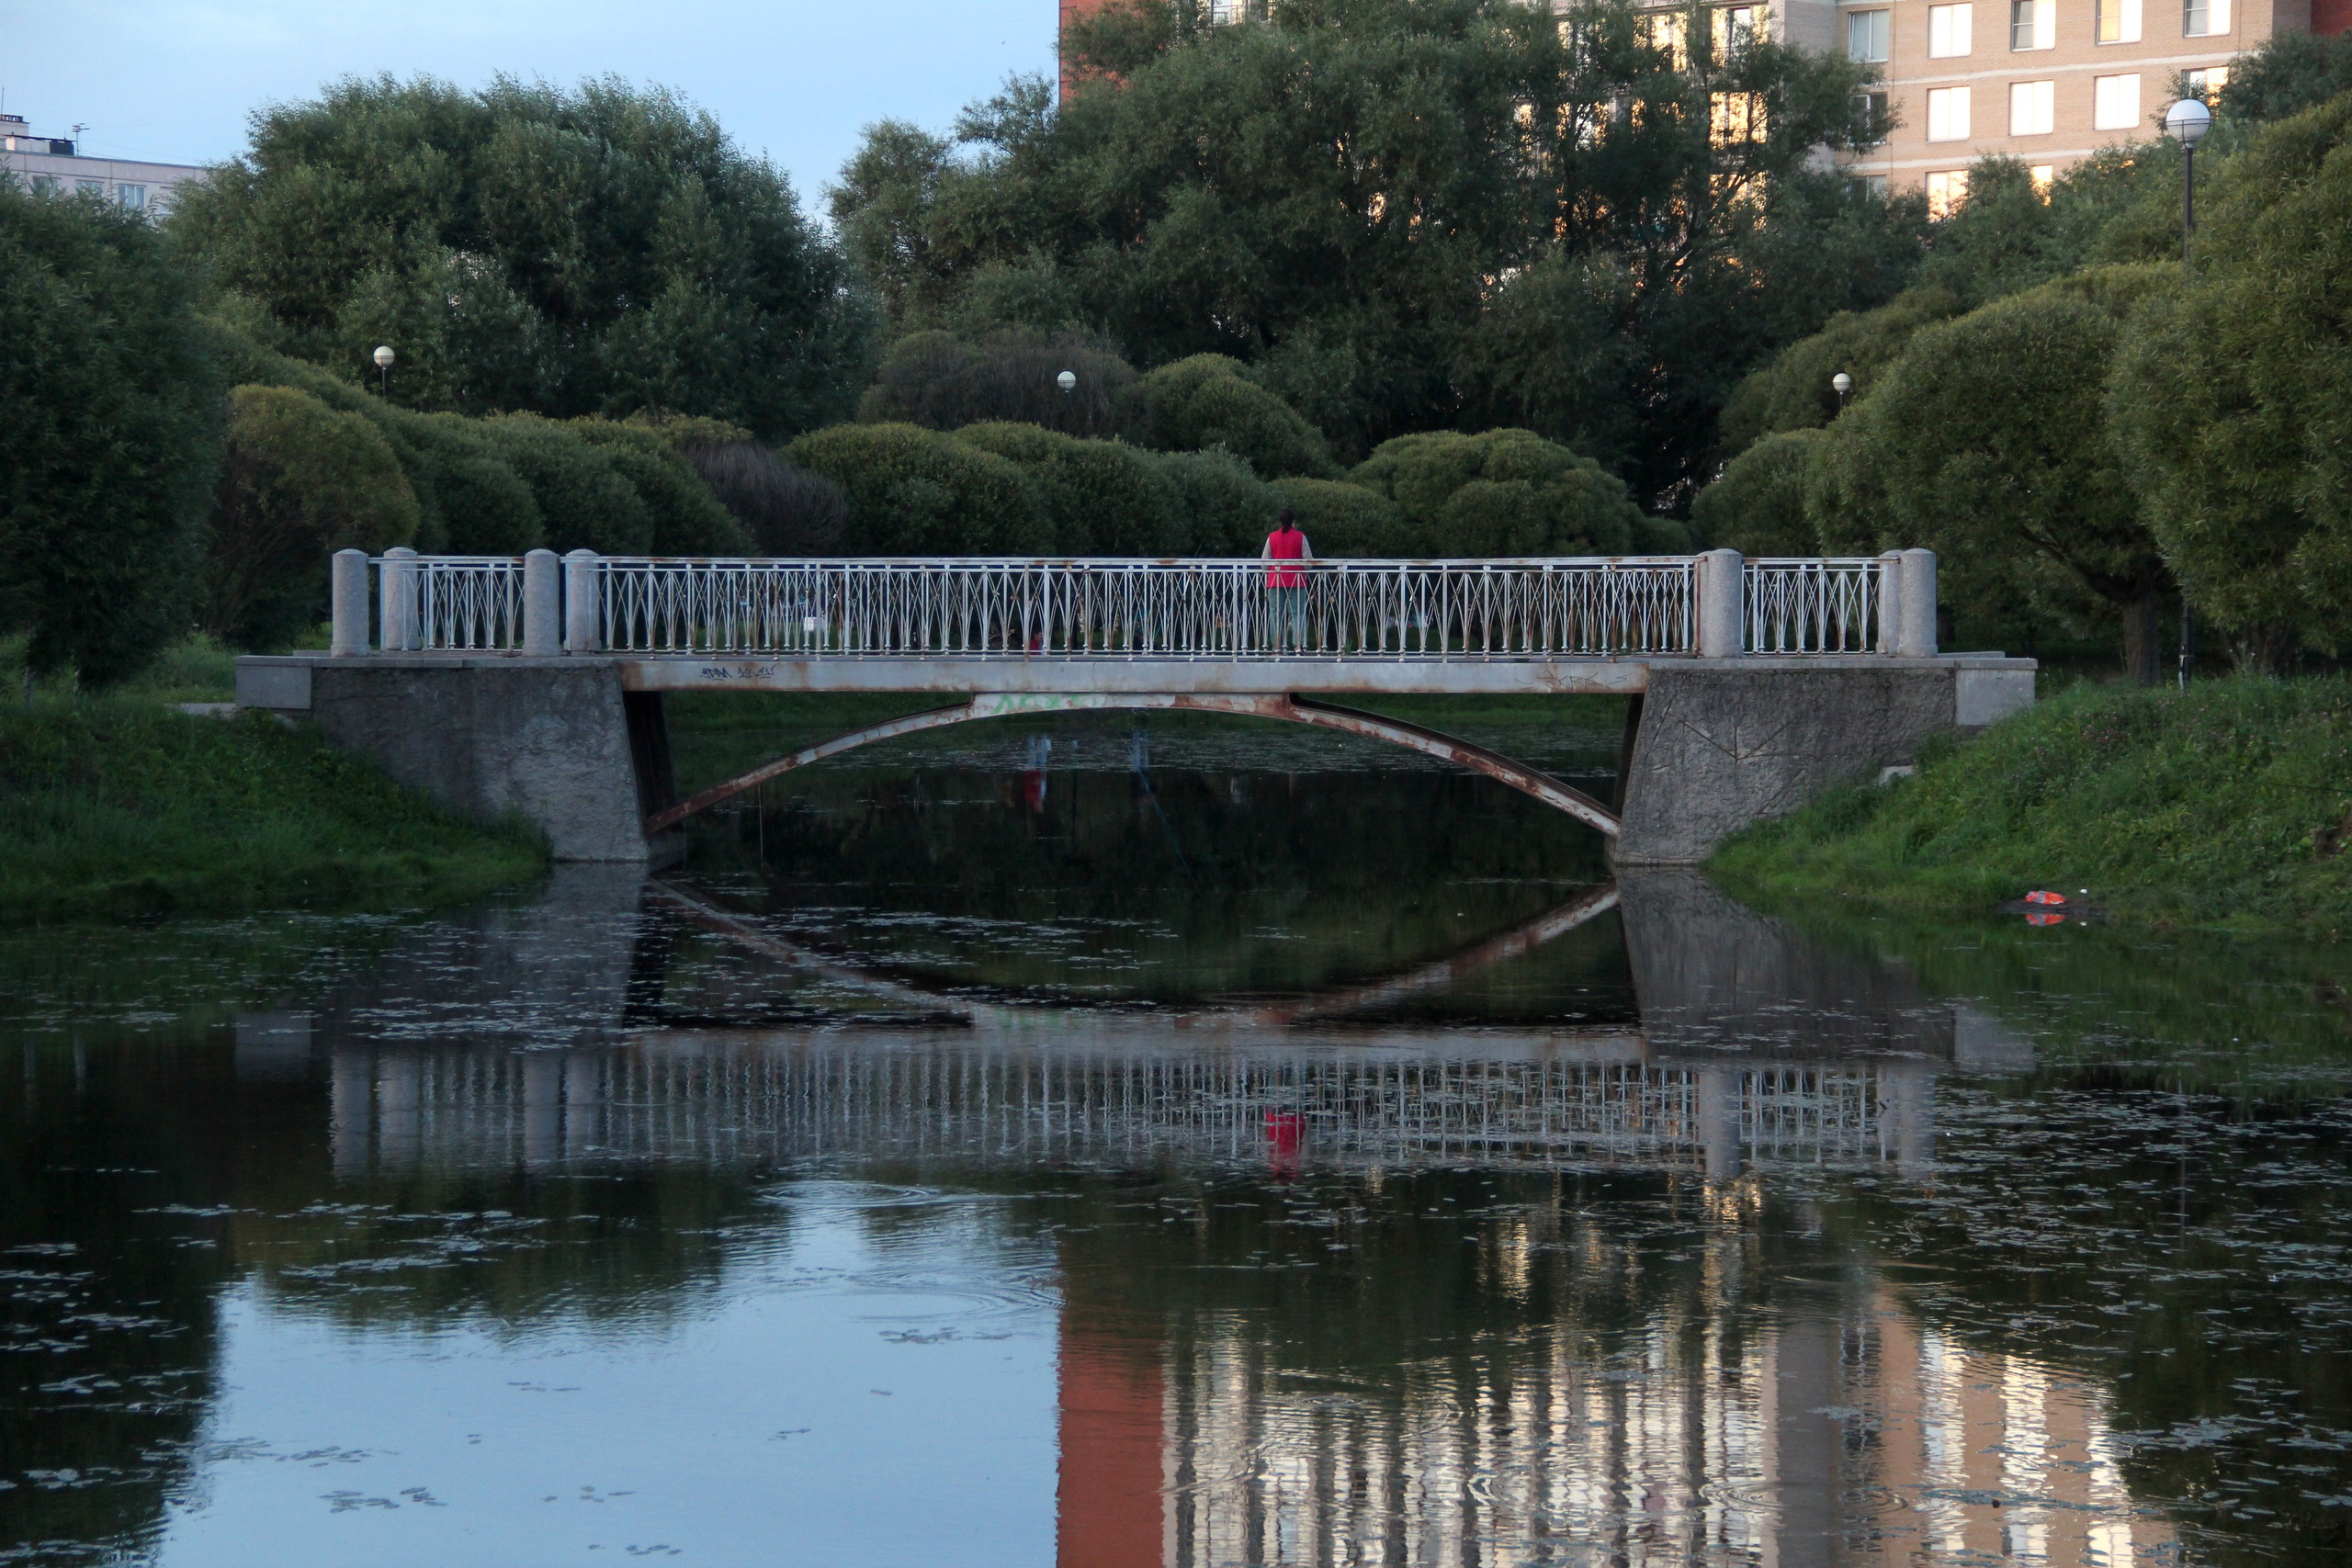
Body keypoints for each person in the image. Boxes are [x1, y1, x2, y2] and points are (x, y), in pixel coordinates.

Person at [1261, 509, 1313, 651]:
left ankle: (1276, 646)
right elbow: (1308, 562)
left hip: (1275, 580)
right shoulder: (1300, 537)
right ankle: (1298, 646)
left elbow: (1264, 562)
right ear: (1294, 522)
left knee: (1275, 614)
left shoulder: (1272, 537)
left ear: (1280, 521)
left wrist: (1269, 572)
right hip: (1296, 580)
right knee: (1297, 613)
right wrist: (1303, 570)